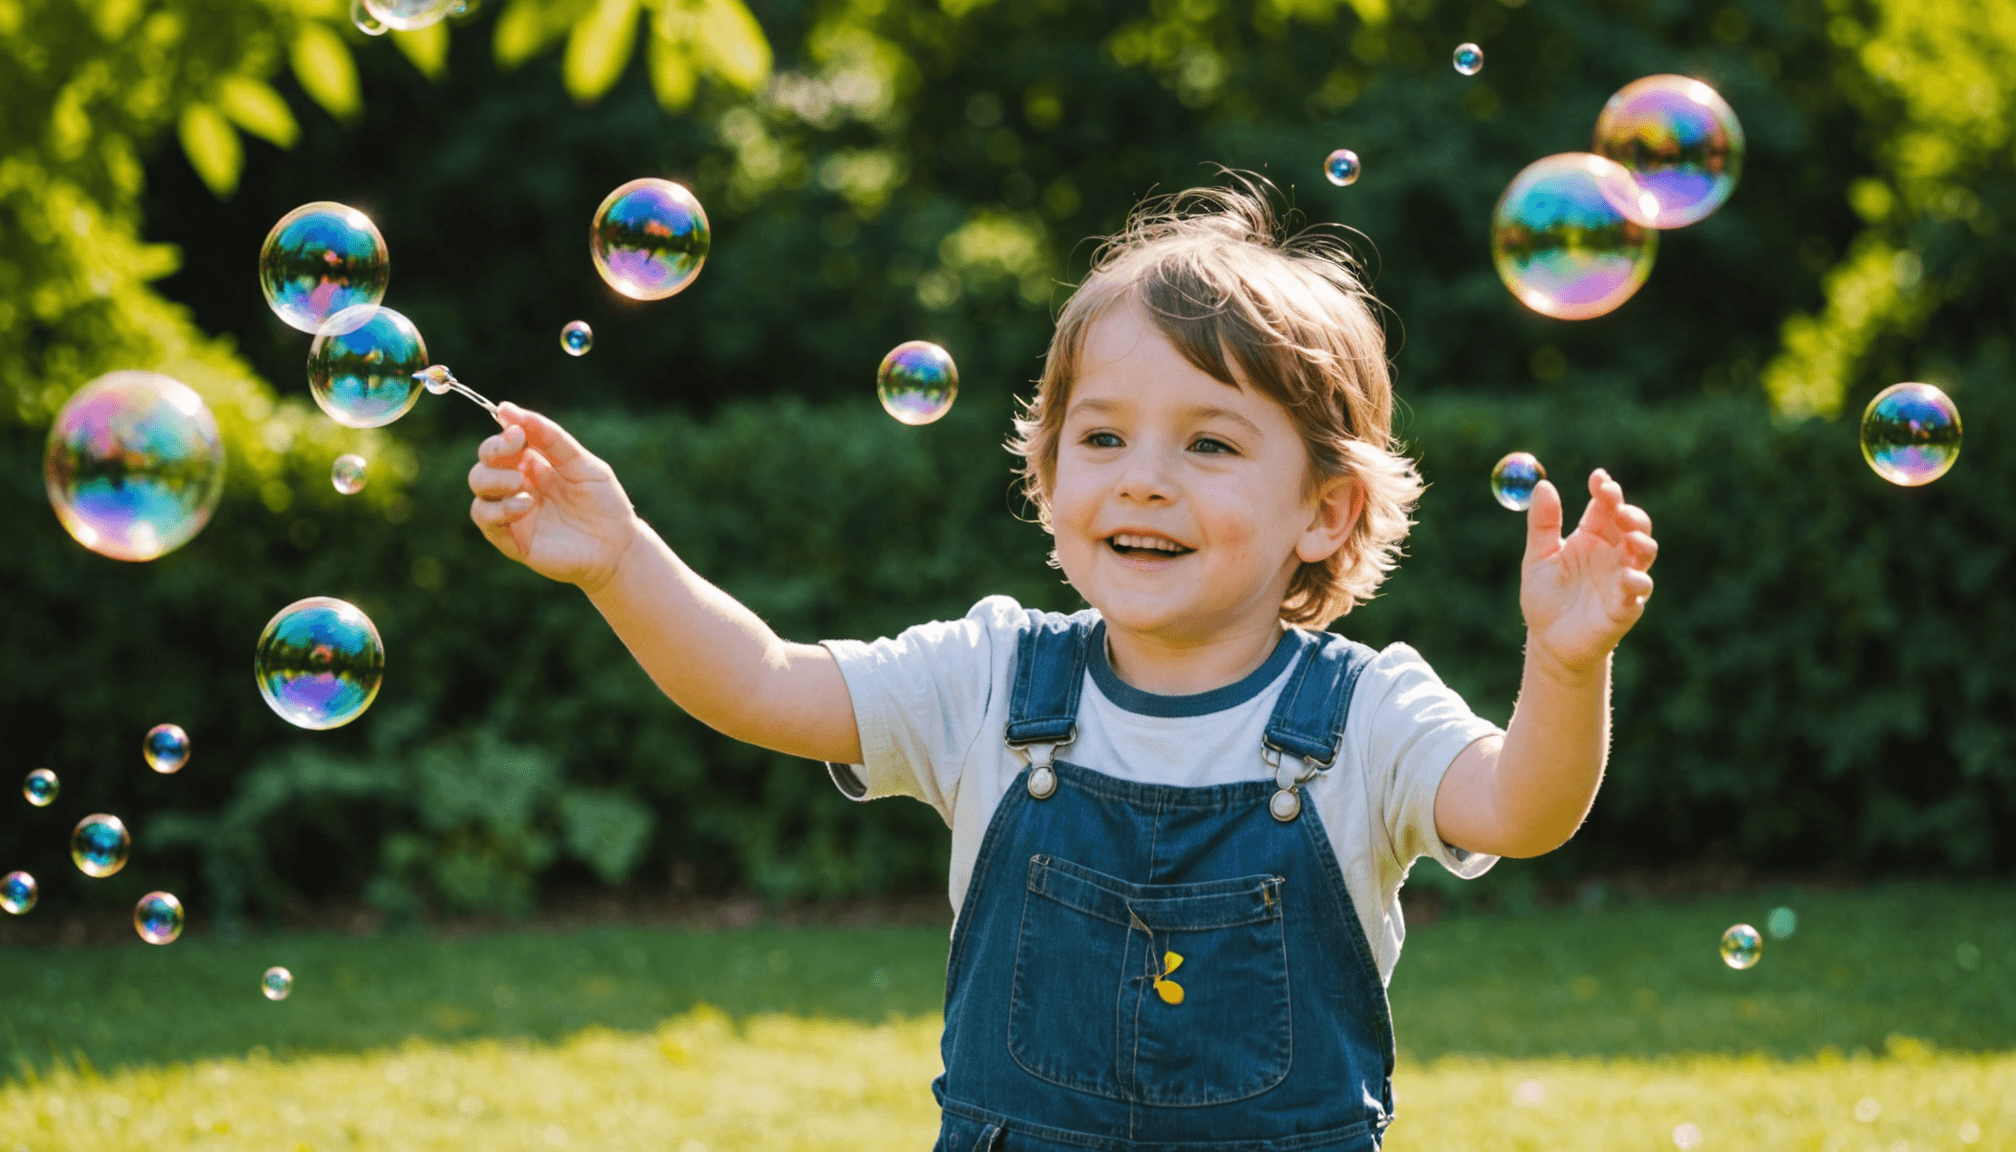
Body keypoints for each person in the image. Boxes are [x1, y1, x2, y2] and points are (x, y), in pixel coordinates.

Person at [466, 180, 1658, 1151]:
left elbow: (1523, 809)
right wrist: (619, 558)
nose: (1144, 476)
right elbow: (760, 681)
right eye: (1101, 437)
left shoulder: (1365, 713)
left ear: (1327, 513)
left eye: (1209, 441)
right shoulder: (989, 681)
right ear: (1046, 476)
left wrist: (1563, 663)